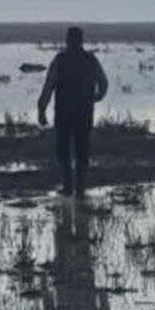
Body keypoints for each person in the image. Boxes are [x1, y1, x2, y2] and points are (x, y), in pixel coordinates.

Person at [37, 27, 108, 198]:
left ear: (68, 40)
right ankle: (79, 189)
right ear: (81, 40)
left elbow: (48, 86)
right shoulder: (90, 60)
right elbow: (103, 83)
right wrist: (97, 96)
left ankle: (69, 187)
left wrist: (42, 109)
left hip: (64, 112)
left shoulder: (60, 60)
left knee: (65, 152)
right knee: (81, 151)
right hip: (83, 112)